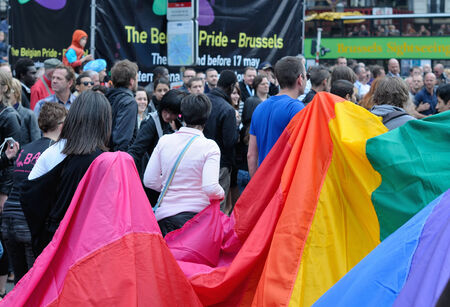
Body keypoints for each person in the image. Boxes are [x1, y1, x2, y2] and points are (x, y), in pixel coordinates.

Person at [23, 91, 111, 256]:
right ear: (104, 122)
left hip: (52, 239)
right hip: (84, 244)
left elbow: (29, 194)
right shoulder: (101, 160)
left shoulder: (54, 151)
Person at [1, 102, 66, 285]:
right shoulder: (55, 151)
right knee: (36, 283)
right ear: (62, 125)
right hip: (29, 222)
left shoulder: (24, 150)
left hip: (9, 219)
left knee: (20, 284)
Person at [143, 94, 224, 237]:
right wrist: (221, 193)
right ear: (207, 116)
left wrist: (171, 185)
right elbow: (210, 187)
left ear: (182, 114)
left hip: (166, 218)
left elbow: (149, 180)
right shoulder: (210, 147)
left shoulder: (164, 141)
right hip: (198, 220)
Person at [248, 56, 306, 177]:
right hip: (285, 187)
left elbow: (251, 155)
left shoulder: (260, 108)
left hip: (264, 185)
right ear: (300, 79)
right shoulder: (297, 108)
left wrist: (256, 187)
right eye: (306, 76)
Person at [128, 90, 185, 178]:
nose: (168, 116)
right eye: (166, 111)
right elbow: (136, 151)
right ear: (162, 106)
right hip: (151, 177)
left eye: (173, 113)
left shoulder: (178, 123)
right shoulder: (151, 122)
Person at [204, 70, 238, 213]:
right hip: (220, 165)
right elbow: (230, 142)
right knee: (218, 209)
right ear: (231, 87)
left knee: (203, 207)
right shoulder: (228, 110)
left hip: (200, 161)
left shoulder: (203, 100)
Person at [0, 70, 21, 296]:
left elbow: (14, 158)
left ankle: (2, 290)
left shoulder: (9, 116)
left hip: (2, 186)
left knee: (2, 239)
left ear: (5, 88)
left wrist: (4, 192)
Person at [105, 59, 138, 152]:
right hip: (118, 159)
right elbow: (122, 140)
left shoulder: (106, 97)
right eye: (137, 78)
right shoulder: (129, 103)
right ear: (132, 81)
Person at [10, 78, 40, 145]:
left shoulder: (28, 115)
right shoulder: (3, 114)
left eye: (8, 92)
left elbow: (36, 141)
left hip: (25, 154)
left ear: (16, 93)